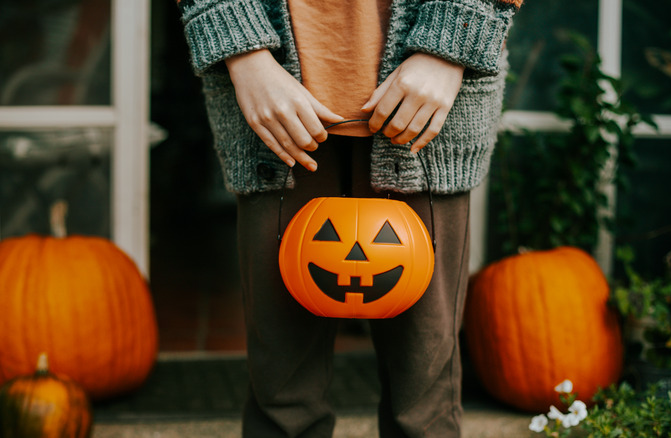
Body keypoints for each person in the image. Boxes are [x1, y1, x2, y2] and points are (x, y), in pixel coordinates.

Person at [177, 0, 522, 436]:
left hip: (426, 109)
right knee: (281, 394)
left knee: (425, 398)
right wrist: (243, 53)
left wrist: (451, 41)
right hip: (274, 110)